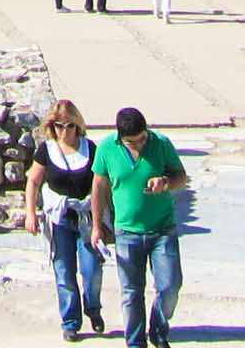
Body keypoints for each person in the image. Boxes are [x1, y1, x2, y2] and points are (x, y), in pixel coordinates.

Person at [96, 106, 187, 348]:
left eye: (142, 138)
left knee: (170, 286)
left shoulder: (161, 143)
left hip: (162, 230)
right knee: (131, 292)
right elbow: (99, 188)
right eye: (133, 142)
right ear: (121, 137)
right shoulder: (106, 149)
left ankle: (158, 329)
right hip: (127, 233)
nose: (140, 144)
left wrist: (166, 182)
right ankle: (135, 343)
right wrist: (97, 226)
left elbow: (182, 177)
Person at [21, 99, 110, 342]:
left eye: (69, 125)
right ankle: (70, 322)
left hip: (87, 218)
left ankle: (93, 308)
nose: (64, 130)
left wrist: (102, 220)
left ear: (77, 125)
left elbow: (101, 184)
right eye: (59, 125)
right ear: (52, 126)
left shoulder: (90, 149)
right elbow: (34, 181)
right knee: (64, 272)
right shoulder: (46, 150)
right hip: (59, 220)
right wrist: (31, 213)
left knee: (92, 270)